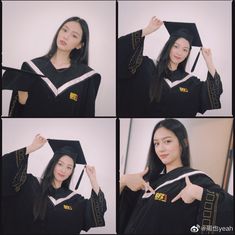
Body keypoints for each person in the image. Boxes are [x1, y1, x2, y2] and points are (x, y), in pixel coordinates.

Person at [119, 119, 233, 234]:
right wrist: (123, 181)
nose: (161, 149)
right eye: (156, 143)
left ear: (183, 143)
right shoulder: (148, 181)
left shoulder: (194, 180)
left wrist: (199, 193)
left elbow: (230, 210)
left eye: (167, 141)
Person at [1, 134, 107, 234]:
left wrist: (93, 180)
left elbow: (96, 215)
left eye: (69, 167)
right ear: (53, 164)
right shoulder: (29, 184)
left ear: (71, 171)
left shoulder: (75, 201)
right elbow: (5, 172)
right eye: (60, 164)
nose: (63, 170)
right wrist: (31, 148)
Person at [118, 17, 223, 117]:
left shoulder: (191, 83)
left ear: (188, 53)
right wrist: (146, 30)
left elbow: (212, 96)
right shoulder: (145, 66)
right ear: (169, 46)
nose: (179, 53)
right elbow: (121, 53)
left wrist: (209, 61)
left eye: (185, 50)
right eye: (176, 46)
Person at [3, 16, 101, 117]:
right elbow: (21, 107)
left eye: (74, 36)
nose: (66, 36)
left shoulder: (86, 77)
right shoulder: (31, 67)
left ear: (79, 45)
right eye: (65, 30)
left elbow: (87, 115)